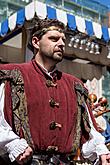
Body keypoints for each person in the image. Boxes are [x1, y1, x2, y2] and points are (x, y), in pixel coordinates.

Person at [0, 17, 110, 165]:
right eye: (54, 39)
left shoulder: (74, 85)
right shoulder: (12, 75)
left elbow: (89, 130)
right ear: (36, 42)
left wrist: (100, 151)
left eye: (63, 40)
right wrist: (12, 143)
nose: (61, 44)